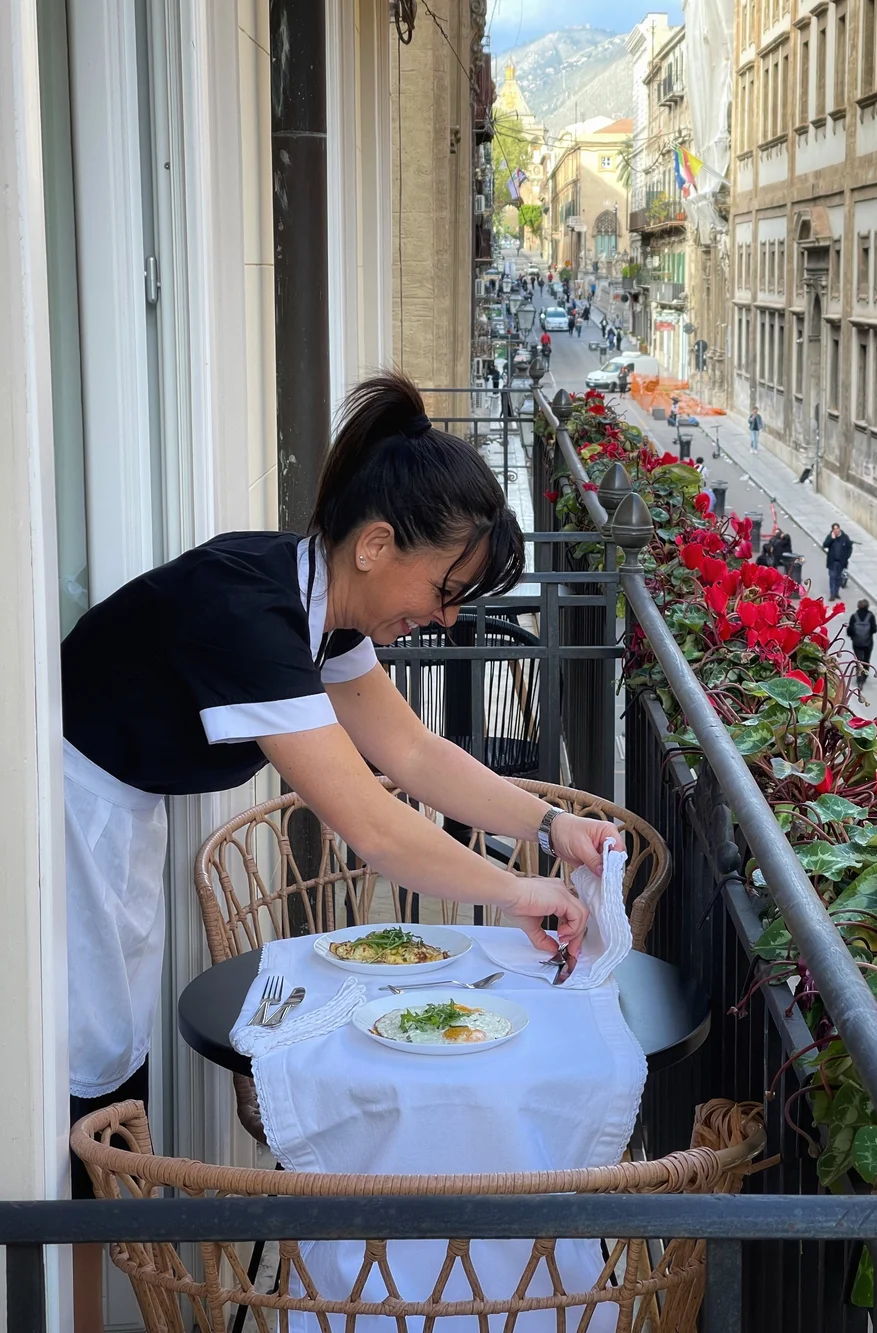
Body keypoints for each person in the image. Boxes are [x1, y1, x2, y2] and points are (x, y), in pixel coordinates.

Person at [61, 373, 620, 1324]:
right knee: (80, 1095)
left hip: (118, 815)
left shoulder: (316, 609)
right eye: (446, 589)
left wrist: (544, 825)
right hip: (63, 816)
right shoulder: (248, 615)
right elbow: (369, 818)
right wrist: (516, 892)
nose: (445, 618)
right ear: (374, 545)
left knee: (106, 1075)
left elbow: (411, 750)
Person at [846, 599, 877, 688]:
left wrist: (854, 636)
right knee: (866, 660)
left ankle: (859, 678)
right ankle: (865, 676)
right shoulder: (870, 616)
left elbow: (849, 631)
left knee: (858, 661)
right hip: (868, 643)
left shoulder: (854, 616)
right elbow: (874, 629)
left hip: (857, 643)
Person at [822, 523, 853, 601]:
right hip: (832, 562)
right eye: (834, 529)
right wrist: (831, 539)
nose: (836, 530)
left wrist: (847, 557)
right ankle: (832, 594)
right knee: (832, 577)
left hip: (841, 562)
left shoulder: (845, 537)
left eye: (837, 529)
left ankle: (836, 592)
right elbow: (825, 545)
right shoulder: (830, 537)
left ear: (839, 529)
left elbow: (849, 547)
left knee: (838, 578)